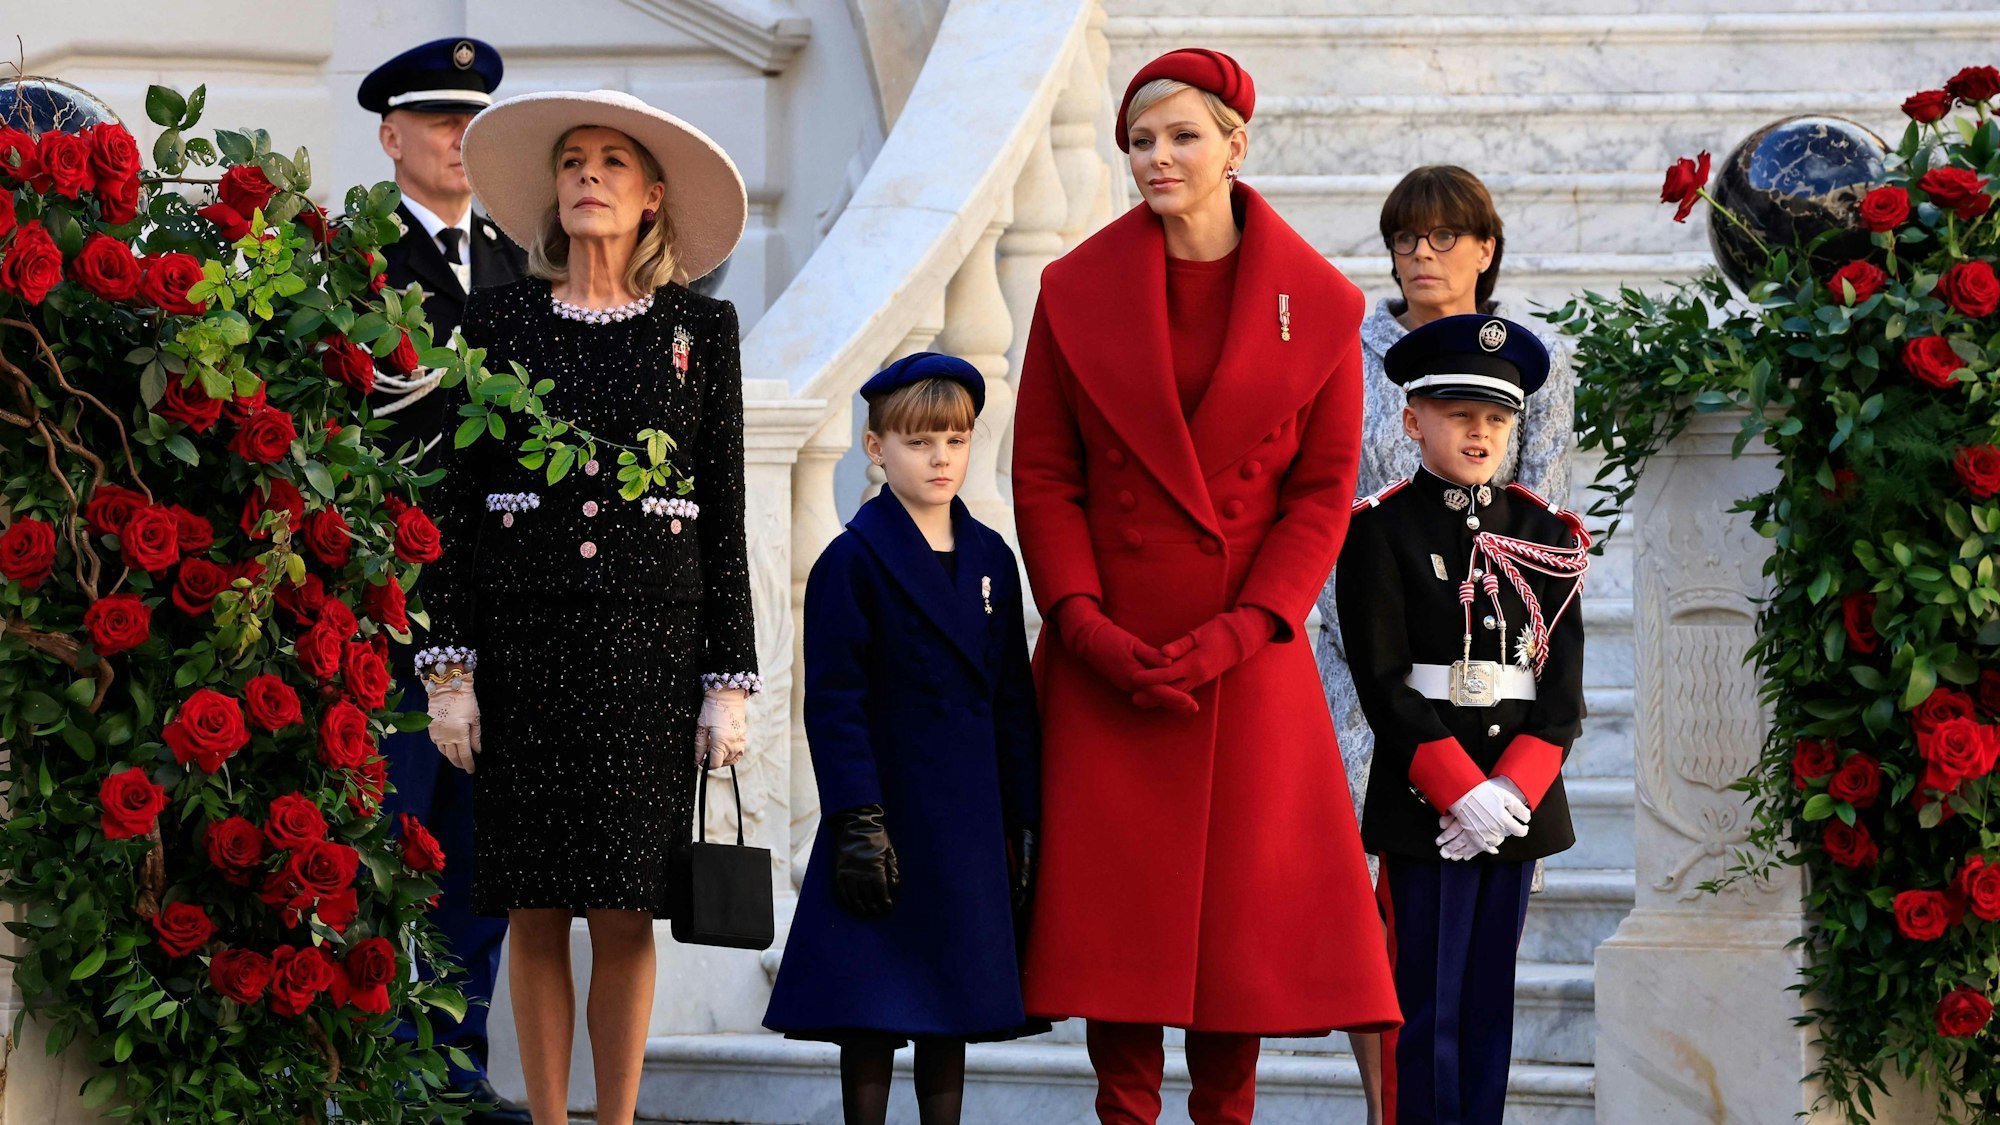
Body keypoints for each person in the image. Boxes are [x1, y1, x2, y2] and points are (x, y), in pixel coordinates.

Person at [1011, 48, 1400, 1125]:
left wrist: (1246, 627)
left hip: (1245, 657)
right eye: (1138, 139)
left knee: (1240, 937)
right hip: (1108, 653)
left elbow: (1321, 495)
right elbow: (1044, 474)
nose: (1154, 158)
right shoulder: (1070, 287)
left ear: (1235, 144)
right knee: (1114, 929)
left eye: (1180, 136)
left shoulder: (1319, 303)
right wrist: (1081, 623)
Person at [419, 88, 758, 1125]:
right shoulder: (495, 320)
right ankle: (548, 1121)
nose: (588, 177)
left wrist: (727, 685)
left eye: (612, 162)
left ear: (652, 198)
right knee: (530, 906)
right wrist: (450, 670)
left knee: (621, 908)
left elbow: (723, 507)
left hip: (646, 650)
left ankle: (614, 1119)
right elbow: (456, 503)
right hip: (525, 645)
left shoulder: (700, 329)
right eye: (572, 161)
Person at [1310, 166, 1576, 1123]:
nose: (1421, 255)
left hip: (1484, 642)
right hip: (1355, 635)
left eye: (1441, 238)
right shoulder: (1350, 345)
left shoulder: (1535, 358)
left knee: (1477, 919)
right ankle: (1395, 1100)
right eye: (1405, 239)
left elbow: (1543, 510)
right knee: (1371, 903)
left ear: (1485, 249)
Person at [763, 353, 1043, 1125]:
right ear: (876, 447)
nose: (941, 458)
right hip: (883, 818)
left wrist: (1027, 818)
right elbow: (836, 703)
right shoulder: (851, 560)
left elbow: (1012, 696)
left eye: (955, 440)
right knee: (875, 1006)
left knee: (950, 1006)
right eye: (920, 442)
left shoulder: (992, 556)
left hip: (968, 822)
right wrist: (856, 817)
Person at [355, 36, 529, 1124]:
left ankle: (454, 1076)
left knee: (479, 856)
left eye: (471, 122)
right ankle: (378, 1079)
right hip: (392, 602)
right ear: (390, 136)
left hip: (502, 604)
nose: (459, 141)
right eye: (436, 122)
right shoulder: (353, 262)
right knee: (390, 847)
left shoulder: (518, 257)